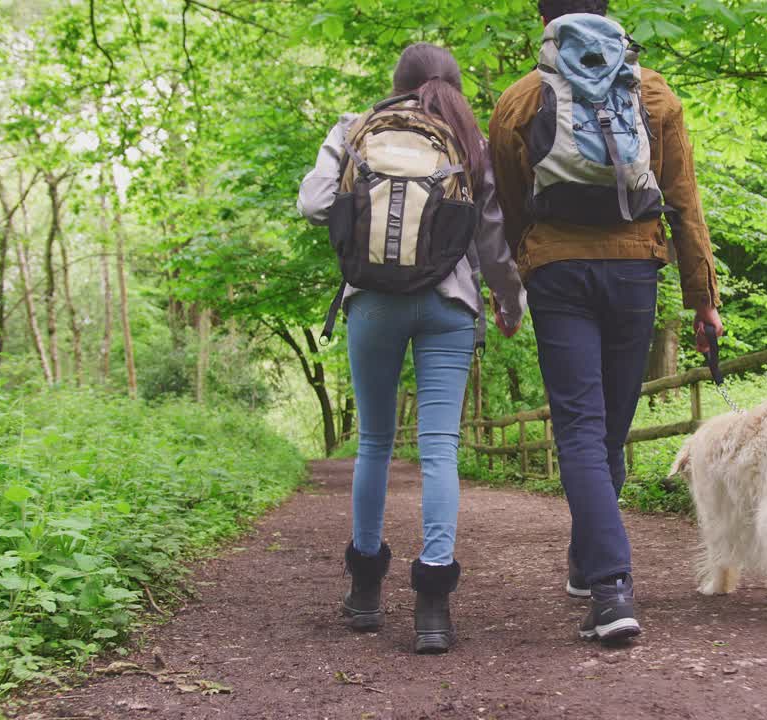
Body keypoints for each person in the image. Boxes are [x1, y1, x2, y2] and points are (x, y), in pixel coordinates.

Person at [489, 0, 723, 643]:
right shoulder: (650, 91)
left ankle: (608, 585)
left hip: (557, 271)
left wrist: (511, 286)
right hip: (634, 270)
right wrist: (703, 296)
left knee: (584, 431)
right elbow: (684, 201)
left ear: (546, 21)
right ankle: (601, 571)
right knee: (609, 428)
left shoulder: (520, 98)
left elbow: (508, 209)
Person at [298, 43, 526, 654]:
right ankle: (432, 608)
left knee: (373, 443)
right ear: (451, 85)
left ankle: (366, 593)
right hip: (449, 304)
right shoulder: (466, 142)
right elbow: (493, 236)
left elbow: (314, 204)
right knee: (439, 448)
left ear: (395, 82)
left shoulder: (354, 129)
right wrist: (510, 301)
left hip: (371, 299)